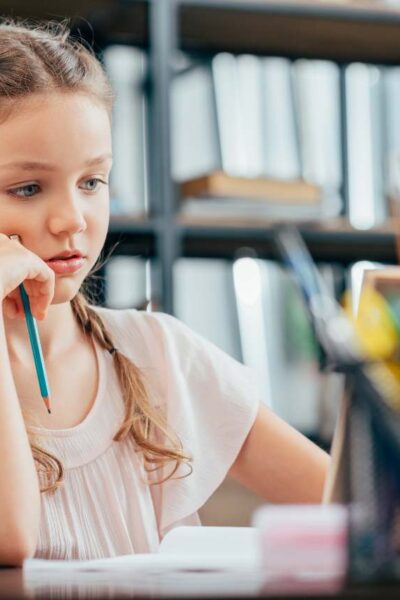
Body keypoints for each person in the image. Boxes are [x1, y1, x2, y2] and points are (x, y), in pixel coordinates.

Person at [0, 19, 330, 566]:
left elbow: (359, 507)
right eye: (27, 188)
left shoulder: (158, 354)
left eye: (92, 182)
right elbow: (10, 540)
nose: (72, 220)